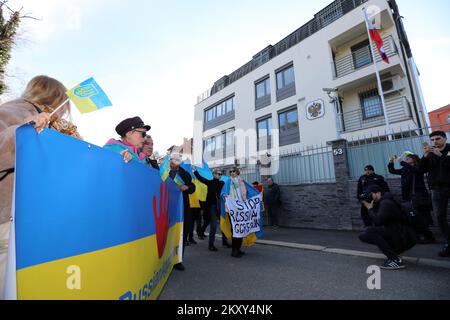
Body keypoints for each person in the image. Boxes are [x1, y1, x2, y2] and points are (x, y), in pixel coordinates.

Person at [0, 75, 82, 296]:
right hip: (8, 218)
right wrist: (24, 130)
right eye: (63, 103)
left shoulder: (51, 124)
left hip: (34, 218)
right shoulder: (12, 111)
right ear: (53, 97)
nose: (64, 112)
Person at [359, 185, 417, 270]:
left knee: (370, 232)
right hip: (399, 234)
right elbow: (369, 222)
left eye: (370, 194)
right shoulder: (381, 202)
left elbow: (378, 220)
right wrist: (365, 208)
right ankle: (394, 254)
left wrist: (370, 209)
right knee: (364, 234)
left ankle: (395, 260)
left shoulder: (386, 203)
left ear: (378, 193)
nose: (370, 197)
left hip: (402, 236)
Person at [388, 154, 435, 244]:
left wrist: (401, 162)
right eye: (406, 158)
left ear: (414, 159)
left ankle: (429, 237)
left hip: (419, 196)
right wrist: (391, 161)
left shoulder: (418, 167)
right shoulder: (405, 169)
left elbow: (414, 169)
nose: (406, 159)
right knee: (413, 217)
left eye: (408, 158)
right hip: (408, 197)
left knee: (422, 217)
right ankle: (419, 236)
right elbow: (392, 171)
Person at [421, 131, 450, 257]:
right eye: (432, 140)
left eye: (437, 139)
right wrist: (425, 156)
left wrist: (441, 157)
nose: (434, 142)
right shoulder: (431, 153)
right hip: (437, 189)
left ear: (445, 138)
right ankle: (449, 243)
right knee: (440, 217)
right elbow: (420, 170)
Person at [168, 152, 196, 270]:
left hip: (182, 208)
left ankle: (178, 260)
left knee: (181, 234)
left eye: (176, 160)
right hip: (167, 208)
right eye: (172, 160)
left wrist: (187, 187)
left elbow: (192, 187)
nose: (173, 162)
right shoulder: (164, 172)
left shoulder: (184, 174)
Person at [193, 167, 225, 252]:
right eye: (218, 174)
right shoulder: (210, 183)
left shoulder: (222, 183)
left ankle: (225, 242)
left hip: (220, 206)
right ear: (214, 174)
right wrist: (195, 171)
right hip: (211, 207)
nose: (220, 175)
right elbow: (200, 178)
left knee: (223, 223)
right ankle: (211, 244)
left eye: (221, 174)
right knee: (213, 226)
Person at [227, 167, 247, 258]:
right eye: (230, 171)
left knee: (241, 228)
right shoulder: (228, 181)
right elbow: (223, 192)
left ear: (237, 172)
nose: (232, 173)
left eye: (233, 171)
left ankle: (238, 248)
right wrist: (224, 195)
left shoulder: (241, 181)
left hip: (240, 208)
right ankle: (234, 251)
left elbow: (246, 193)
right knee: (235, 229)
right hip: (232, 209)